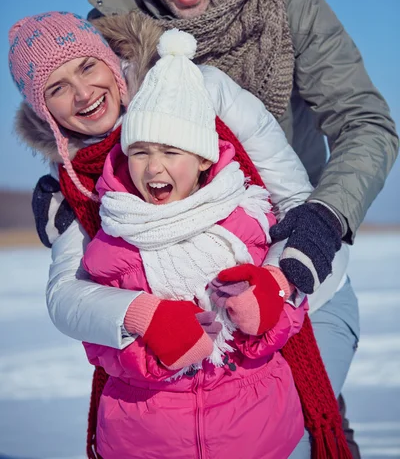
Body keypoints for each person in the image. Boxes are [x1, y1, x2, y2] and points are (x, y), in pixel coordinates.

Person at [79, 0, 399, 455]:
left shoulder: (289, 6)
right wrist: (61, 186)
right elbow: (86, 137)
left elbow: (366, 125)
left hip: (293, 272)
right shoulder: (113, 40)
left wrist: (324, 217)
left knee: (294, 433)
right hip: (177, 308)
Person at [10, 12, 352, 458]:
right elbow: (68, 296)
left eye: (87, 67)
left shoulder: (198, 91)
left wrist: (277, 285)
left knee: (298, 430)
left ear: (112, 63)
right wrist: (139, 314)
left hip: (300, 308)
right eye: (56, 88)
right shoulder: (76, 185)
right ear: (44, 111)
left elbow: (299, 210)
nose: (82, 93)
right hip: (158, 411)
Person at [81, 28, 307, 458]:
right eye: (141, 151)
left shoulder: (248, 219)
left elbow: (293, 306)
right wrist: (149, 354)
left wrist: (263, 313)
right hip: (147, 437)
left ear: (204, 158)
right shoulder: (115, 239)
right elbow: (99, 341)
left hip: (258, 433)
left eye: (171, 151)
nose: (153, 167)